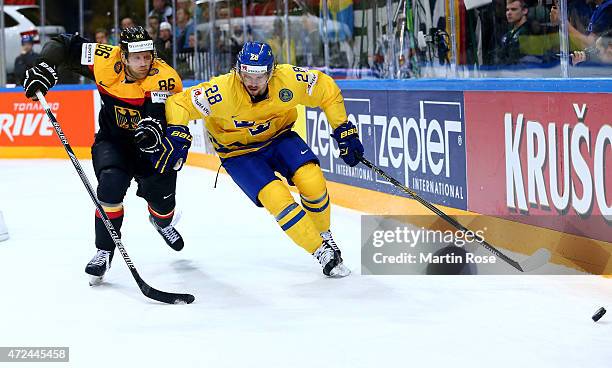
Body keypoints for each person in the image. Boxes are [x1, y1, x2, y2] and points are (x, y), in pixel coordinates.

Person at [162, 42, 362, 277]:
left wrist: (343, 129)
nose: (253, 83)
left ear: (272, 71)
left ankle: (324, 236)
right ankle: (321, 252)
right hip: (239, 153)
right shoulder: (222, 92)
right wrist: (176, 131)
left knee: (313, 182)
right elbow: (178, 102)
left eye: (260, 76)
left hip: (280, 138)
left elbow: (325, 88)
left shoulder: (288, 79)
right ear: (238, 70)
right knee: (276, 197)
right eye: (247, 74)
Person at [21, 26, 187, 285]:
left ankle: (161, 221)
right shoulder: (103, 58)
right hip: (114, 141)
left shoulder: (165, 77)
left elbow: (159, 111)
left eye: (147, 56)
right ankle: (104, 250)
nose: (144, 63)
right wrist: (44, 66)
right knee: (110, 187)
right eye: (137, 57)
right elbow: (63, 44)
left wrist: (153, 127)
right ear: (123, 56)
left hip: (152, 146)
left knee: (162, 203)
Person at [497, 0, 530, 65]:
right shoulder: (509, 33)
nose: (509, 13)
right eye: (507, 10)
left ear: (524, 11)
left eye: (513, 9)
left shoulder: (529, 32)